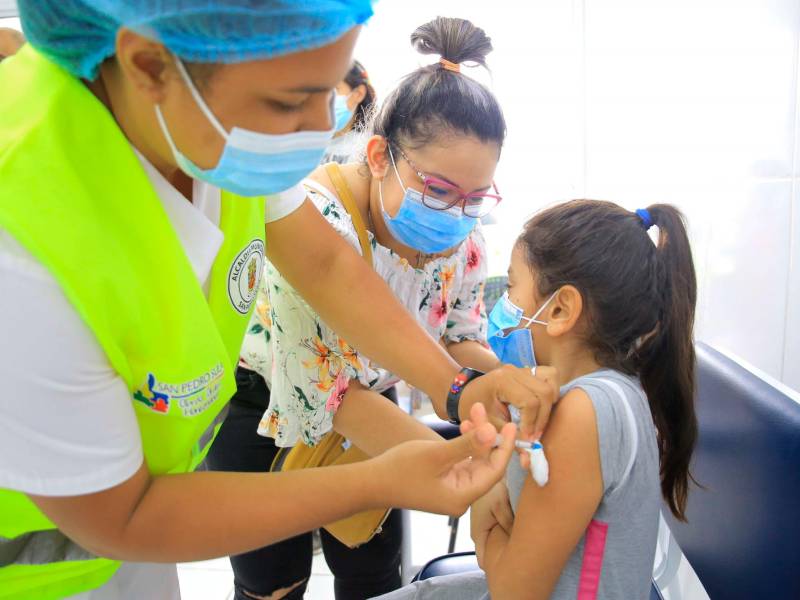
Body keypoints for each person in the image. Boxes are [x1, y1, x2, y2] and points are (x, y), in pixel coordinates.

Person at [0, 3, 556, 599]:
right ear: (149, 66)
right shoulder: (23, 247)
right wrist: (379, 480)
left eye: (333, 91)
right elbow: (126, 517)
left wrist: (457, 387)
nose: (320, 128)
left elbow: (325, 264)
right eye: (292, 101)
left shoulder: (203, 125)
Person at [207, 17, 551, 600]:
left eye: (475, 197)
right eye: (437, 190)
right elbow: (329, 394)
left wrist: (507, 383)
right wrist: (466, 460)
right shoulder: (316, 222)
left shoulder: (461, 235)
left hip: (374, 396)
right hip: (268, 406)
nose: (454, 213)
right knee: (273, 582)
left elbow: (455, 336)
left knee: (371, 571)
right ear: (379, 155)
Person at [375, 200, 699, 600]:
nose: (503, 306)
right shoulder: (616, 390)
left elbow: (515, 591)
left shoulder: (583, 413)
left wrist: (484, 528)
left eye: (512, 287)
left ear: (560, 309)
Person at [323, 59, 376, 164]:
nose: (322, 99)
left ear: (358, 94)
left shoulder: (368, 150)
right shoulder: (306, 144)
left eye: (333, 90)